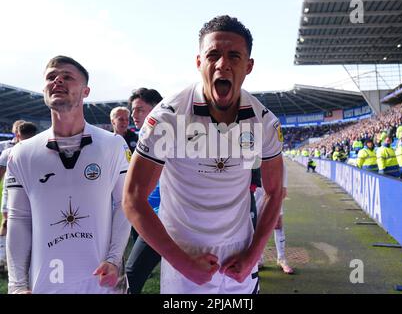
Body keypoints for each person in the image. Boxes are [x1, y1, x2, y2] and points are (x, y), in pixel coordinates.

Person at [123, 15, 284, 294]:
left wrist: (253, 256)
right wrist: (182, 263)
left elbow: (274, 192)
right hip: (185, 255)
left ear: (248, 66)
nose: (223, 64)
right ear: (199, 63)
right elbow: (133, 199)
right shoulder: (167, 118)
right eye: (213, 55)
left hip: (240, 254)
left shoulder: (264, 122)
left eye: (234, 56)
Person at [5, 55, 131, 294]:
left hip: (102, 282)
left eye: (67, 77)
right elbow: (19, 220)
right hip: (46, 283)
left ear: (86, 91)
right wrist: (17, 285)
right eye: (51, 77)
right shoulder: (21, 153)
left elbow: (124, 206)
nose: (57, 81)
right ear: (43, 89)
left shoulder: (113, 145)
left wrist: (114, 259)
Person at [125, 87, 162, 294]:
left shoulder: (170, 139)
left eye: (139, 109)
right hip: (150, 216)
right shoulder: (143, 137)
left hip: (164, 219)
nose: (134, 115)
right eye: (133, 110)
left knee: (131, 275)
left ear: (156, 109)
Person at [0, 122, 37, 272]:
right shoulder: (40, 150)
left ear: (18, 135)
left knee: (8, 225)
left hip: (11, 195)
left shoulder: (8, 152)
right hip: (33, 196)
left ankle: (3, 258)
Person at [254, 163, 293, 274]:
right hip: (256, 190)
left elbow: (281, 164)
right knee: (256, 224)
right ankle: (259, 258)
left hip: (273, 189)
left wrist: (284, 186)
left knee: (278, 223)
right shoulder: (250, 148)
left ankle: (281, 258)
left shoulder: (270, 147)